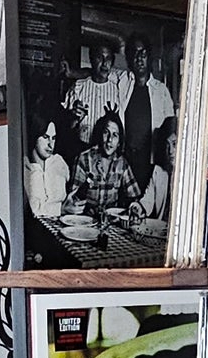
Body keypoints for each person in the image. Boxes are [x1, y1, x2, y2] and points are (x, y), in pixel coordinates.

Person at [116, 36, 175, 190]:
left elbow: (171, 126)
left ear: (149, 57)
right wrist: (71, 72)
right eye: (135, 53)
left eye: (143, 53)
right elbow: (97, 74)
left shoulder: (161, 91)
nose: (139, 58)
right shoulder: (121, 82)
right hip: (124, 164)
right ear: (129, 58)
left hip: (150, 164)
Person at [67, 109, 142, 219]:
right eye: (106, 132)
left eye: (115, 135)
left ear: (119, 142)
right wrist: (87, 210)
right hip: (84, 221)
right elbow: (72, 199)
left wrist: (134, 207)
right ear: (100, 135)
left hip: (110, 223)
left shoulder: (122, 163)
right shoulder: (84, 159)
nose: (110, 140)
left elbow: (134, 197)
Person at [65, 36, 123, 149]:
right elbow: (66, 127)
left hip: (107, 152)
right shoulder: (78, 87)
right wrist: (74, 118)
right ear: (91, 59)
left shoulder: (118, 90)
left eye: (108, 59)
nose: (104, 63)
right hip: (80, 148)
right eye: (99, 58)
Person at [23, 117, 69, 228]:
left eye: (53, 138)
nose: (50, 144)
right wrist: (61, 209)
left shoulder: (59, 162)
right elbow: (35, 211)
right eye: (45, 137)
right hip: (37, 232)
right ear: (34, 136)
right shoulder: (25, 167)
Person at [140, 117, 177, 224]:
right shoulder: (158, 171)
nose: (170, 151)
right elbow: (148, 201)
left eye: (174, 144)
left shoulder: (192, 175)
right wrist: (138, 207)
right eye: (167, 145)